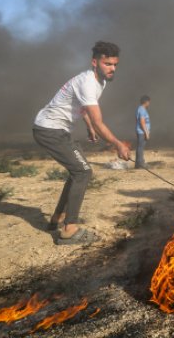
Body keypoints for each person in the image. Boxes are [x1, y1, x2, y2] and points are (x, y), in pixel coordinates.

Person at [33, 41, 131, 245]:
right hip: (49, 130)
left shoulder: (100, 82)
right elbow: (98, 121)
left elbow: (84, 108)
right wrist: (118, 144)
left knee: (77, 171)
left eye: (115, 64)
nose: (112, 68)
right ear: (94, 62)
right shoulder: (87, 82)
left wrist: (89, 127)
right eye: (107, 64)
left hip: (59, 130)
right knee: (83, 172)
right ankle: (69, 230)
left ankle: (57, 218)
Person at [135, 95, 151, 168]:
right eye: (149, 102)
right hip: (142, 132)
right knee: (140, 148)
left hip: (140, 131)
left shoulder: (140, 109)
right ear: (146, 102)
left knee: (140, 147)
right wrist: (146, 132)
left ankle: (138, 164)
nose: (149, 103)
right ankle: (141, 164)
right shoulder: (142, 109)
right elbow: (142, 122)